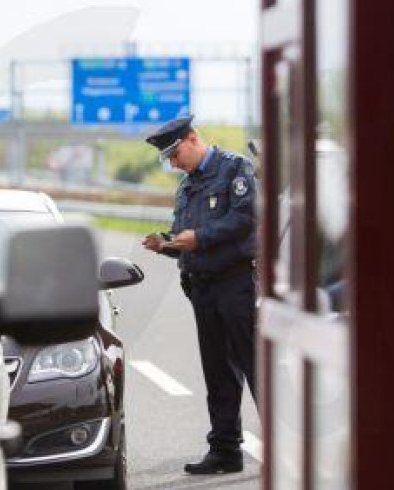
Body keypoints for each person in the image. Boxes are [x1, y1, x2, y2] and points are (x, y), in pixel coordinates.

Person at [142, 115, 258, 475]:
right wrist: (166, 244)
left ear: (193, 139)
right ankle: (225, 449)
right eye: (169, 159)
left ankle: (291, 448)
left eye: (175, 154)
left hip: (235, 284)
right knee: (218, 374)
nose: (174, 163)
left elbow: (246, 218)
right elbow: (184, 236)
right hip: (203, 289)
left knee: (256, 366)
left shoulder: (235, 169)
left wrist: (200, 238)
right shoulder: (187, 187)